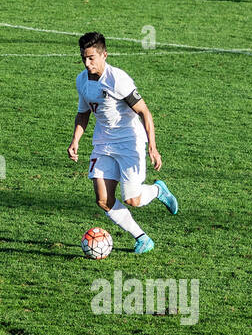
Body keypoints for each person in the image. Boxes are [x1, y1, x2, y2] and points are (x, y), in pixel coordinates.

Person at [66, 31, 179, 255]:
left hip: (130, 142)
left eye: (91, 58)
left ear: (104, 55)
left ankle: (157, 190)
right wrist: (75, 140)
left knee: (132, 199)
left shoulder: (118, 80)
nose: (87, 63)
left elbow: (145, 112)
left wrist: (153, 148)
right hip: (104, 143)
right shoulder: (82, 80)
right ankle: (142, 238)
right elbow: (83, 113)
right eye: (84, 58)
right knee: (103, 199)